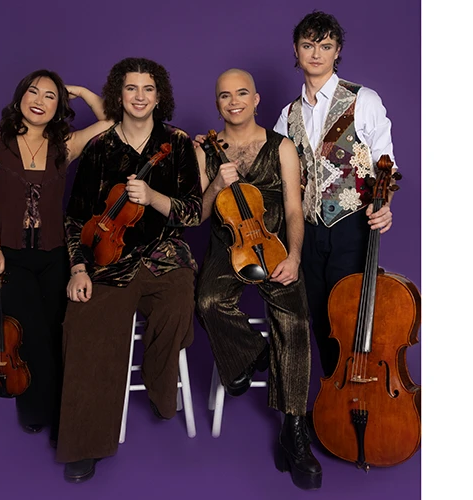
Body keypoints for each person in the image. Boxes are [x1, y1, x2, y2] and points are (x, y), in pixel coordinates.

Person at [55, 57, 201, 484]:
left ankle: (160, 385)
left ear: (160, 96)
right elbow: (75, 217)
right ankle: (84, 444)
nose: (140, 97)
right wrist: (79, 267)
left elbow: (193, 213)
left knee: (178, 305)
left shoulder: (176, 145)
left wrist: (154, 197)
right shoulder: (100, 147)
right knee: (84, 323)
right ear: (118, 94)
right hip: (107, 262)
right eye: (131, 89)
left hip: (164, 256)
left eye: (148, 89)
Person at [195, 69, 322, 490]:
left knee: (297, 323)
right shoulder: (205, 150)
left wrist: (296, 256)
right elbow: (199, 213)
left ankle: (294, 431)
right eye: (225, 95)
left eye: (241, 93)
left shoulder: (281, 146)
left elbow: (292, 210)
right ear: (218, 104)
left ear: (256, 99)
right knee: (209, 302)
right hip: (226, 246)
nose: (234, 101)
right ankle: (254, 355)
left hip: (274, 246)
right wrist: (216, 181)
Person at [0, 69, 112, 446]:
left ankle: (62, 410)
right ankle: (37, 410)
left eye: (51, 96)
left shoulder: (63, 145)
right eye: (33, 92)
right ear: (20, 96)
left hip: (54, 255)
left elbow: (112, 121)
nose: (39, 100)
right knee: (27, 335)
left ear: (58, 106)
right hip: (11, 256)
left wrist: (80, 91)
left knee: (56, 333)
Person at [273, 11, 398, 381]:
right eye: (308, 45)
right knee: (321, 321)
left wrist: (385, 205)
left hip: (352, 227)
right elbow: (273, 171)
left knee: (351, 317)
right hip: (307, 230)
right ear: (296, 51)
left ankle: (362, 394)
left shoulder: (363, 100)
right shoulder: (288, 115)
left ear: (336, 51)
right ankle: (334, 400)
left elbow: (385, 163)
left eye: (325, 46)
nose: (316, 54)